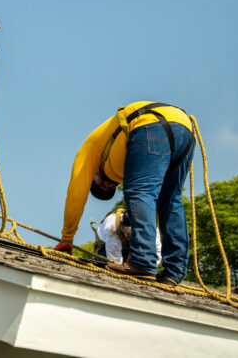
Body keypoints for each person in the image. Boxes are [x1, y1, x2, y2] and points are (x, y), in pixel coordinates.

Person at [55, 102, 195, 286]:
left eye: (101, 184)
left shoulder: (89, 151)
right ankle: (173, 271)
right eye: (109, 188)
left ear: (94, 174)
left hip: (150, 123)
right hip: (183, 127)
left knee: (140, 191)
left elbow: (76, 193)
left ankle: (143, 261)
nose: (106, 184)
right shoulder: (121, 161)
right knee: (169, 199)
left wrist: (67, 238)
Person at [93, 207, 161, 265]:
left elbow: (157, 251)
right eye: (127, 232)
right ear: (121, 224)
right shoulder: (112, 226)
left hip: (128, 247)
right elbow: (114, 260)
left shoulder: (151, 227)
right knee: (106, 268)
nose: (130, 235)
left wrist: (150, 266)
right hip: (107, 247)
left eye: (133, 233)